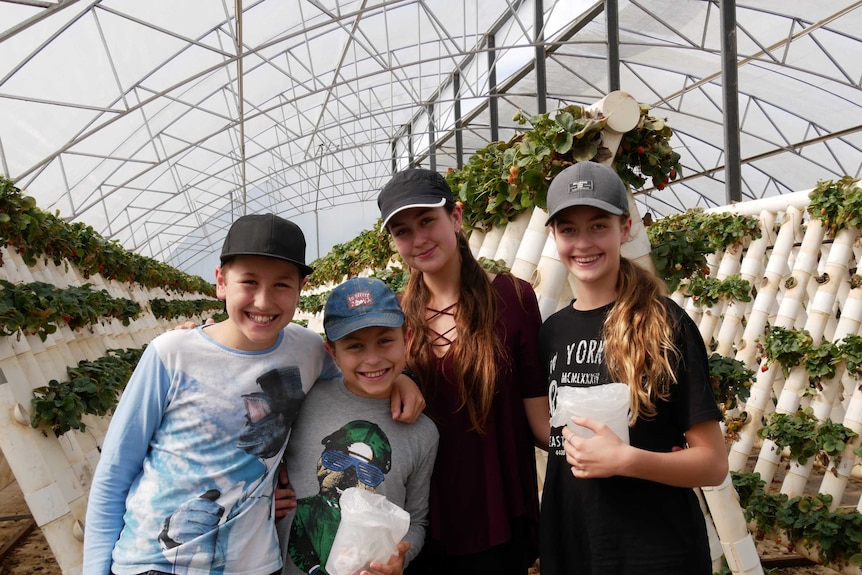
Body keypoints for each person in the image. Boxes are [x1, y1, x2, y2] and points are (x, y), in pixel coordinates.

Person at [83, 214, 424, 575]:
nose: (263, 301)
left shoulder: (307, 351)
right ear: (221, 282)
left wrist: (405, 378)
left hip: (253, 563)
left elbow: (364, 373)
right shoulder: (171, 354)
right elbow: (114, 474)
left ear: (300, 288)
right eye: (248, 282)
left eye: (281, 285)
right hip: (154, 562)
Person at [538, 161, 728, 574]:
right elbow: (552, 435)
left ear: (625, 228)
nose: (583, 242)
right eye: (568, 229)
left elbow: (712, 464)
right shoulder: (551, 333)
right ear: (552, 236)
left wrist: (627, 460)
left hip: (653, 551)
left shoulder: (665, 323)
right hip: (574, 544)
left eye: (598, 226)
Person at [375, 168, 550, 575]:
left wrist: (615, 451)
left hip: (497, 513)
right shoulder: (392, 318)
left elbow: (538, 415)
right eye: (402, 231)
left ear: (455, 217)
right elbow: (350, 376)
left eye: (426, 221)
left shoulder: (513, 299)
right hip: (418, 520)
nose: (418, 239)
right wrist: (397, 376)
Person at [278, 277, 438, 575]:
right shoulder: (304, 401)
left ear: (408, 338)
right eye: (355, 346)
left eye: (385, 340)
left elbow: (416, 521)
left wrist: (401, 554)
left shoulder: (422, 433)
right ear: (332, 352)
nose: (373, 358)